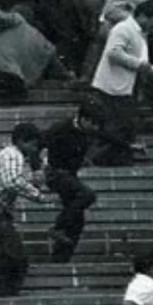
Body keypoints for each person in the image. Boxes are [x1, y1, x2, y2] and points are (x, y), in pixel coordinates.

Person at [0, 123, 56, 296]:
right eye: (32, 145)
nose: (34, 150)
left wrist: (34, 178)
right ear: (22, 142)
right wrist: (39, 196)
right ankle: (3, 291)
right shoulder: (12, 155)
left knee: (7, 254)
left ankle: (0, 289)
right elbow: (11, 181)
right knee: (15, 256)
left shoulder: (13, 156)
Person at [89, 1, 153, 166]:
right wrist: (145, 67)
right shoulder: (123, 29)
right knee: (117, 127)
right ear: (142, 16)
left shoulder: (139, 33)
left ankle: (118, 159)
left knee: (123, 127)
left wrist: (151, 69)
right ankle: (99, 159)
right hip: (112, 88)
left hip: (125, 87)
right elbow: (114, 53)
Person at [40, 104, 103, 263]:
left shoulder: (89, 132)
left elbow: (108, 136)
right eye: (93, 124)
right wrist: (37, 168)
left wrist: (129, 146)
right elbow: (38, 144)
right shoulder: (61, 128)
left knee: (77, 220)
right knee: (87, 195)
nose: (95, 128)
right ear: (83, 119)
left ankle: (60, 259)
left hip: (71, 176)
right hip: (56, 173)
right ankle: (58, 227)